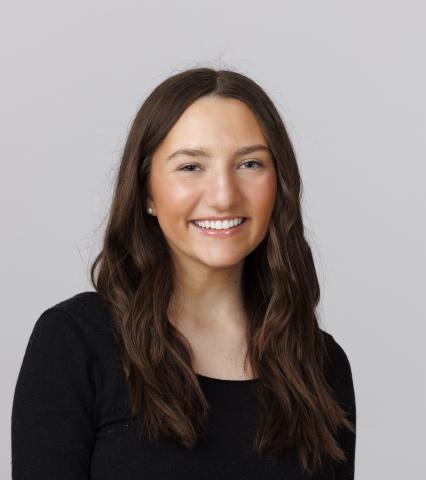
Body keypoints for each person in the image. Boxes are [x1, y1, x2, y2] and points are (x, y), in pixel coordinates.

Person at [11, 67, 356, 479]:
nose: (224, 195)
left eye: (249, 163)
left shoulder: (320, 365)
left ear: (279, 185)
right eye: (191, 167)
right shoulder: (75, 342)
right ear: (146, 194)